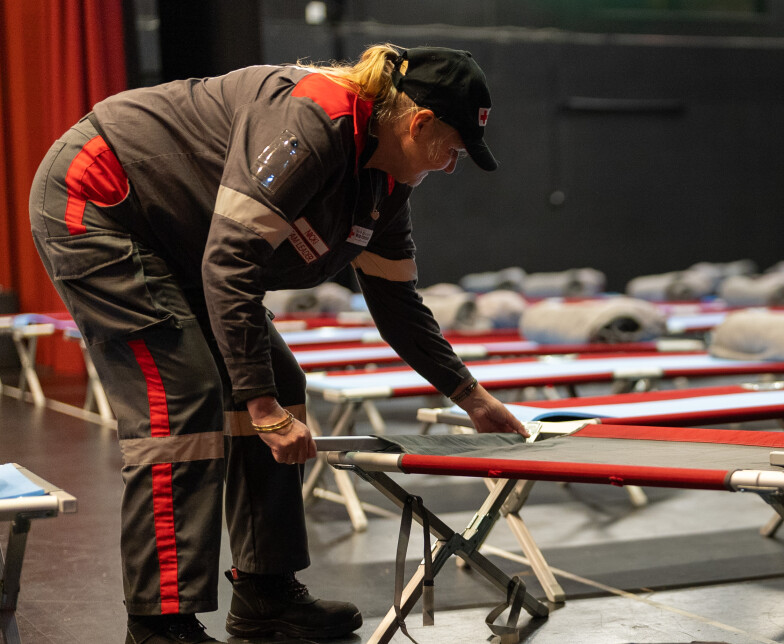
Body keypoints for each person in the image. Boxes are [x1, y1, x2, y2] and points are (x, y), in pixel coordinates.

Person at [28, 44, 528, 644]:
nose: (452, 166)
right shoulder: (315, 123)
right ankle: (159, 625)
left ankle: (266, 595)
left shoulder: (384, 185)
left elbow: (396, 304)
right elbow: (231, 262)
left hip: (181, 235)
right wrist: (259, 409)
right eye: (452, 149)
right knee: (183, 401)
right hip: (101, 200)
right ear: (419, 123)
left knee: (282, 385)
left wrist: (470, 396)